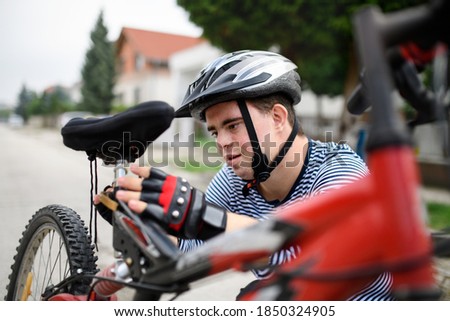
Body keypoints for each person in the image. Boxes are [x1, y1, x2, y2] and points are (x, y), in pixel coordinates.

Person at [112, 50, 394, 300]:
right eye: (214, 131)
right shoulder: (233, 179)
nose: (221, 142)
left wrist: (206, 218)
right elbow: (196, 249)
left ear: (278, 118)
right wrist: (153, 225)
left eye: (232, 125)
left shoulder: (338, 169)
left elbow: (320, 263)